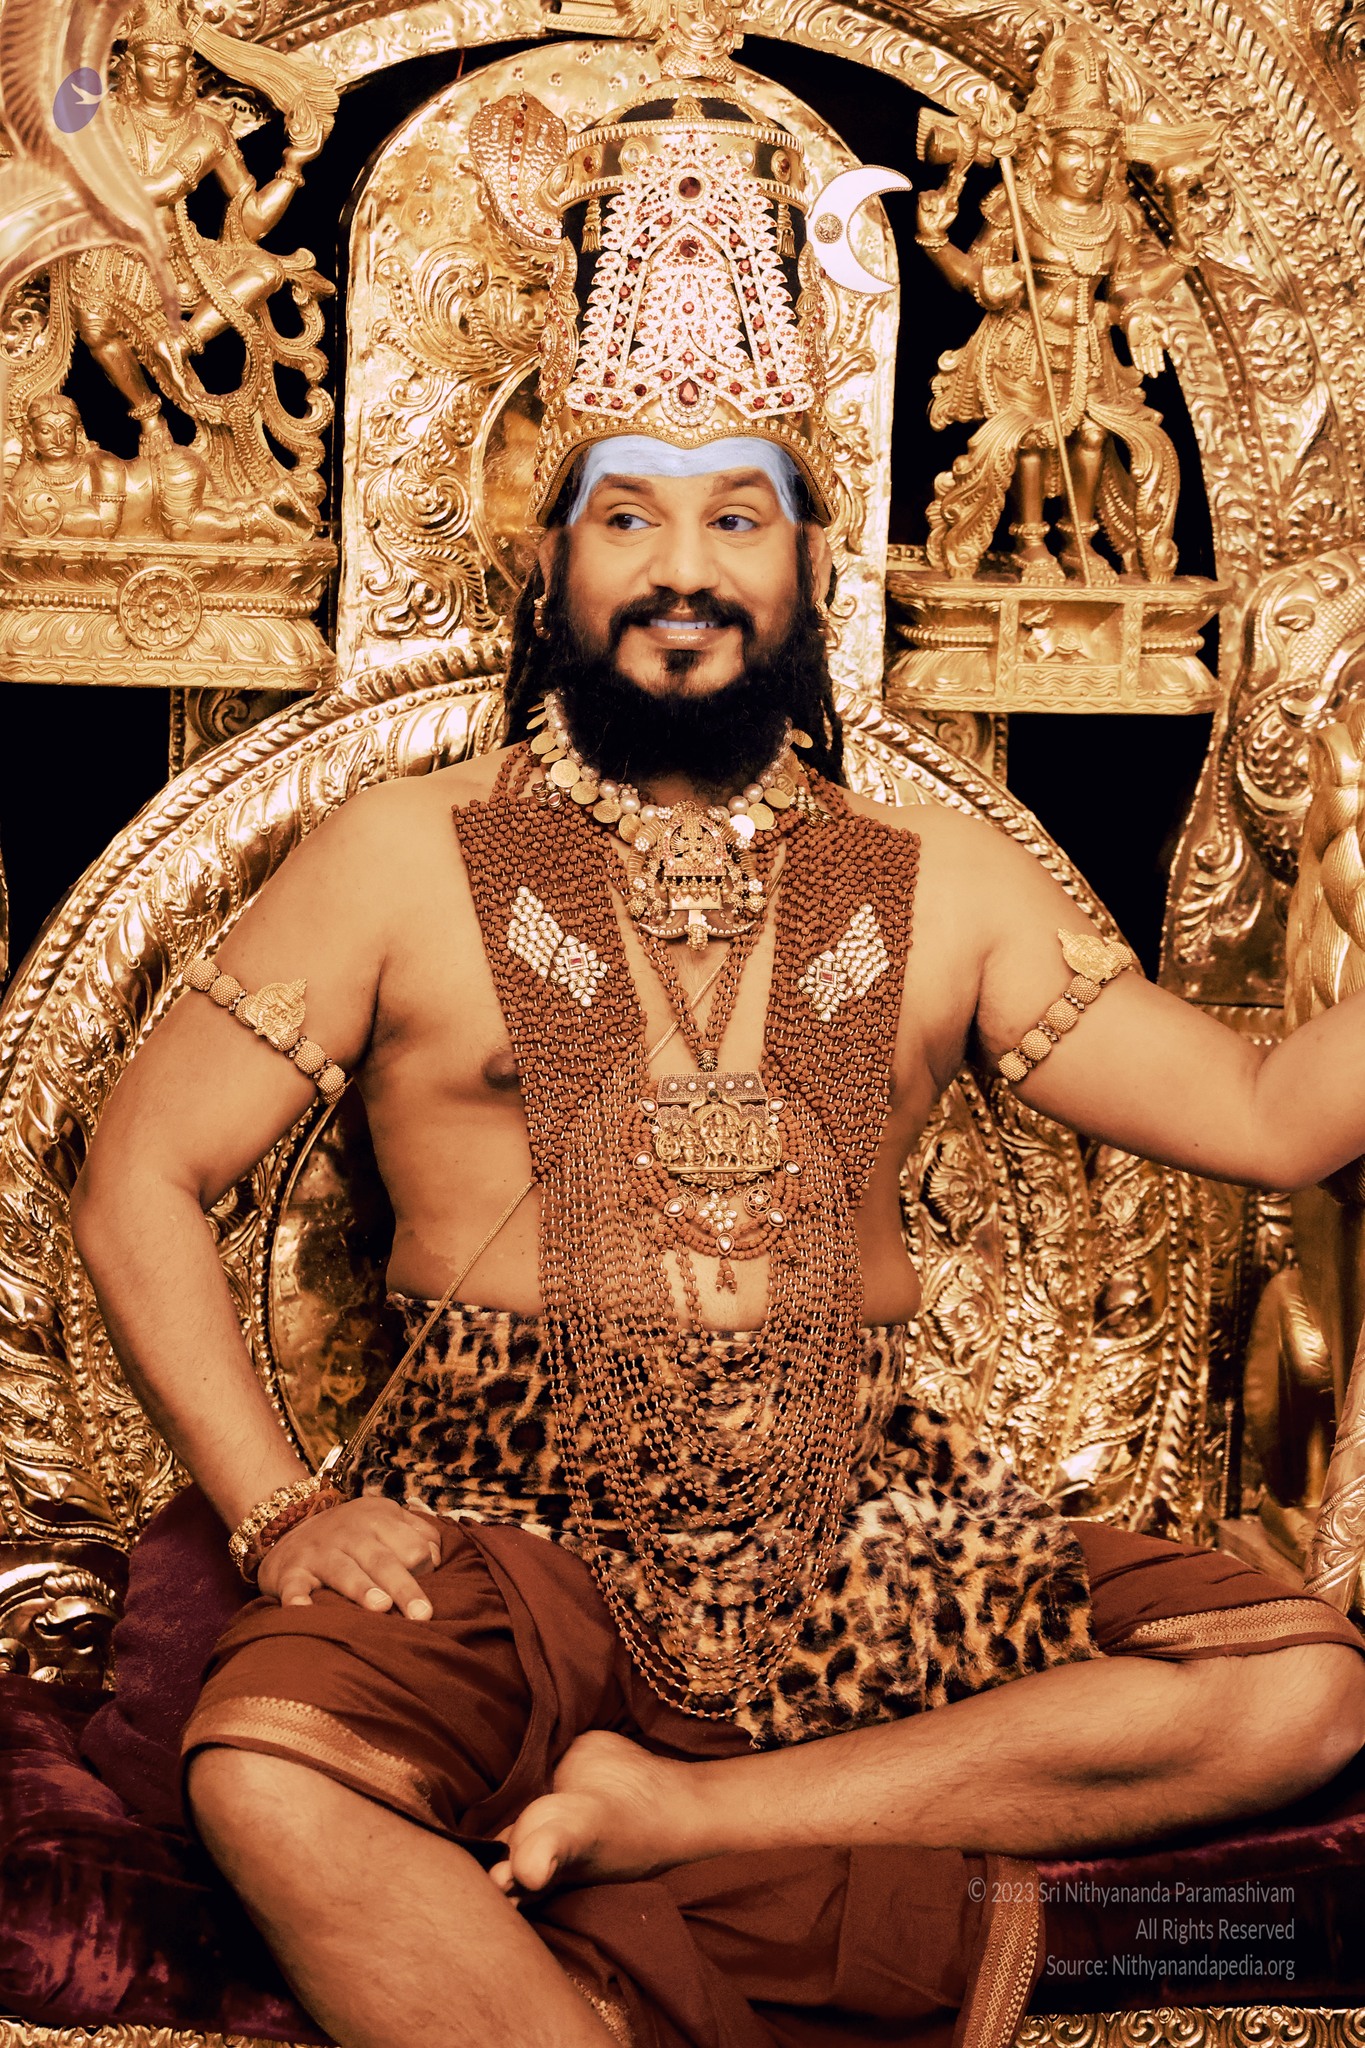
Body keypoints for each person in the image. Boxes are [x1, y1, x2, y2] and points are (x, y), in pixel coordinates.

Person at [70, 61, 1365, 2048]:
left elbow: (1270, 1119)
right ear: (551, 566)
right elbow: (139, 1177)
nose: (682, 566)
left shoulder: (925, 880)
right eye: (628, 515)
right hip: (501, 1513)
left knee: (1302, 1692)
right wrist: (276, 1509)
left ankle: (688, 1819)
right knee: (265, 1778)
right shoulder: (406, 856)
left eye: (734, 514)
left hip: (867, 1517)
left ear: (804, 565)